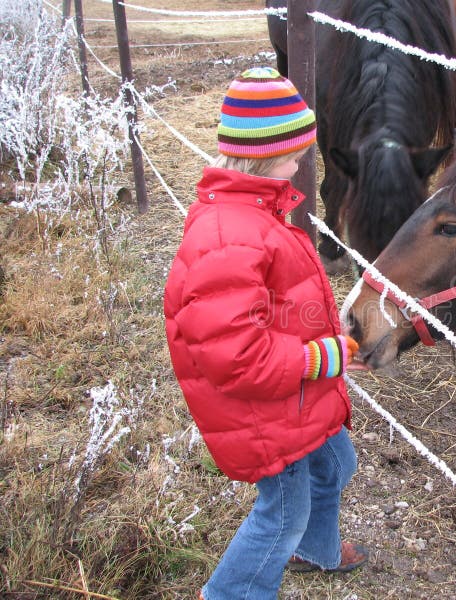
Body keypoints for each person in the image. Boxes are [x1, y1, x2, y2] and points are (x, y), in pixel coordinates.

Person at [163, 66, 368, 600]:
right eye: (297, 153)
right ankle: (230, 593)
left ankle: (316, 550)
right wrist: (325, 356)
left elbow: (278, 306)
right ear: (268, 155)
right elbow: (237, 356)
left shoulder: (256, 213)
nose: (303, 164)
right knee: (282, 512)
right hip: (264, 409)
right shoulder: (229, 233)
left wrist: (331, 344)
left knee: (338, 462)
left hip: (293, 397)